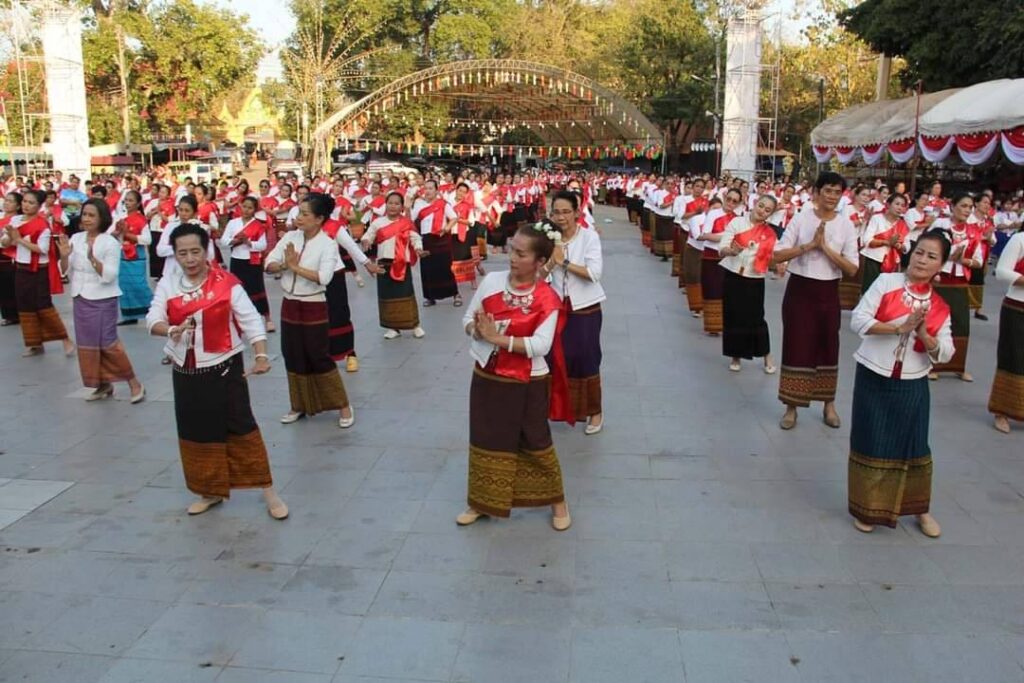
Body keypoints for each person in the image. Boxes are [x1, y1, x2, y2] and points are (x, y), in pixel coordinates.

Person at [145, 223, 287, 519]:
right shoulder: (168, 283)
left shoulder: (226, 283)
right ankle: (209, 491)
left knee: (242, 427)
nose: (190, 259)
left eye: (195, 251)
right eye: (183, 253)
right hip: (186, 371)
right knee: (196, 430)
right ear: (175, 255)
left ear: (206, 250)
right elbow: (153, 318)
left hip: (224, 368)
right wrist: (170, 330)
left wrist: (261, 355)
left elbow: (251, 320)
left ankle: (268, 490)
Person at [457, 222, 571, 530]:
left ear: (539, 261)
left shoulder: (547, 298)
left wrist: (497, 338)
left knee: (535, 439)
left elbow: (541, 345)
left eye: (521, 254)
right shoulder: (492, 281)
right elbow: (468, 318)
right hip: (488, 374)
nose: (512, 257)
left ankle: (558, 501)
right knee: (486, 436)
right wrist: (476, 330)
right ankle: (481, 501)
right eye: (512, 249)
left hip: (529, 380)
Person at [847, 230, 954, 538]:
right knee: (872, 440)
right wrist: (899, 327)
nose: (922, 260)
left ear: (940, 265)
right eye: (919, 252)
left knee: (915, 445)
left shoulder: (940, 306)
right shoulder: (886, 282)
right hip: (873, 374)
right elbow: (858, 320)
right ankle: (868, 508)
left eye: (931, 256)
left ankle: (919, 509)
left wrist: (924, 335)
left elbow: (946, 352)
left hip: (913, 382)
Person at [772, 172, 859, 430]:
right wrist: (809, 246)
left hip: (828, 292)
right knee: (796, 345)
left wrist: (826, 249)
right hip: (800, 291)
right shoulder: (801, 218)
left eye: (837, 192)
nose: (832, 196)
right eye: (827, 190)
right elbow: (778, 255)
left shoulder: (846, 225)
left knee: (828, 345)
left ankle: (828, 404)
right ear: (816, 193)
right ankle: (791, 406)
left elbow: (852, 268)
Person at [265, 193, 355, 428]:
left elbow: (324, 278)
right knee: (292, 353)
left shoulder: (327, 244)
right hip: (289, 304)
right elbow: (269, 263)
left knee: (318, 355)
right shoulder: (290, 238)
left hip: (314, 304)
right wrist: (283, 265)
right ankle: (298, 405)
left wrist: (294, 267)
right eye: (299, 212)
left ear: (319, 218)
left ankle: (343, 405)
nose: (299, 218)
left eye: (305, 214)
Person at [56, 199, 144, 403]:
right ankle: (103, 384)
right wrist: (64, 257)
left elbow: (110, 275)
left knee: (108, 343)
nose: (86, 219)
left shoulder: (109, 242)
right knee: (87, 344)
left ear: (102, 218)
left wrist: (92, 259)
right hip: (80, 297)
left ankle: (134, 383)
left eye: (91, 215)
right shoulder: (76, 238)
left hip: (103, 299)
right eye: (84, 214)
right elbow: (64, 271)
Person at [545, 192, 607, 434]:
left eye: (566, 212)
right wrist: (551, 262)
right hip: (555, 306)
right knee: (552, 356)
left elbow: (594, 273)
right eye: (556, 212)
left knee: (586, 357)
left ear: (577, 213)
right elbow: (538, 274)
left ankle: (594, 412)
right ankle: (554, 407)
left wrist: (564, 263)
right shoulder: (548, 237)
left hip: (585, 307)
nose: (561, 217)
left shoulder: (588, 237)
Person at [0, 189, 75, 357]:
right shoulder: (15, 220)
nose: (26, 205)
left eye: (31, 203)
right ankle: (35, 343)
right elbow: (5, 243)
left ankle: (65, 339)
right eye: (24, 201)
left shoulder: (42, 225)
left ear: (39, 206)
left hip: (39, 270)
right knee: (24, 305)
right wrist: (9, 238)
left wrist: (18, 239)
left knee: (44, 305)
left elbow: (42, 249)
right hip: (21, 268)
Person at [718, 194, 778, 373]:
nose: (762, 211)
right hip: (733, 275)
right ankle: (736, 356)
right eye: (761, 206)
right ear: (755, 204)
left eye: (767, 210)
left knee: (757, 318)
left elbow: (775, 256)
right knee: (733, 316)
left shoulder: (770, 234)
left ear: (770, 214)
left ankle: (766, 354)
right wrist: (731, 251)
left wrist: (780, 264)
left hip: (755, 278)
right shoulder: (737, 223)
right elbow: (722, 248)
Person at [930, 194, 982, 382]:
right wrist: (947, 257)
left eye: (970, 207)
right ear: (952, 206)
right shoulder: (940, 225)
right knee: (936, 322)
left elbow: (978, 261)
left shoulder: (974, 231)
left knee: (961, 324)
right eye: (963, 205)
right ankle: (932, 365)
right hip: (939, 280)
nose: (967, 210)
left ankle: (958, 366)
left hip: (960, 282)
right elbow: (928, 248)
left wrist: (963, 260)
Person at [322, 200, 379, 372]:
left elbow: (350, 246)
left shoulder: (334, 226)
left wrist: (367, 263)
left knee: (338, 313)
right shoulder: (302, 229)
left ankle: (349, 353)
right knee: (319, 316)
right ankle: (323, 354)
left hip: (334, 274)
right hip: (312, 277)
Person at [361, 192, 426, 339]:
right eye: (390, 203)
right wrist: (366, 241)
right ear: (386, 204)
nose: (393, 206)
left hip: (402, 263)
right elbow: (368, 235)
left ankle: (415, 325)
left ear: (402, 207)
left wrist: (419, 249)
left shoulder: (406, 223)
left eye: (397, 203)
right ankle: (393, 328)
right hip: (384, 264)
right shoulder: (378, 222)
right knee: (387, 296)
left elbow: (416, 239)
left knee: (406, 294)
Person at [988, 230, 1024, 434]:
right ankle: (1002, 411)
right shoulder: (1020, 239)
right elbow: (1002, 271)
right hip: (1017, 308)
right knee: (1013, 358)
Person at [220, 196, 274, 332]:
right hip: (237, 260)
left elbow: (263, 245)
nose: (246, 210)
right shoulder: (233, 223)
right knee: (238, 290)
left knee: (258, 289)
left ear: (254, 210)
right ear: (240, 207)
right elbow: (223, 240)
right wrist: (234, 241)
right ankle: (239, 320)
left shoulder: (258, 225)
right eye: (244, 206)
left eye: (250, 208)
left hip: (252, 261)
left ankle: (267, 319)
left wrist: (248, 242)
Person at [696, 188, 740, 336]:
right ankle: (712, 325)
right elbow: (706, 234)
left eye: (734, 201)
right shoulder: (714, 214)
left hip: (727, 257)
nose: (730, 203)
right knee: (712, 290)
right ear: (725, 197)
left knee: (726, 291)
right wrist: (727, 236)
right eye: (729, 199)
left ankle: (725, 323)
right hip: (711, 256)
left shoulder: (737, 219)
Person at [411, 179, 460, 307]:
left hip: (441, 239)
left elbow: (454, 218)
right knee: (427, 269)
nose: (427, 191)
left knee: (445, 268)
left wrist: (446, 228)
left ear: (436, 191)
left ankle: (455, 294)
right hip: (426, 240)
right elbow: (410, 219)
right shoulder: (419, 204)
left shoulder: (443, 204)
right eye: (426, 188)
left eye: (430, 188)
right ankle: (430, 297)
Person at [110, 190, 153, 325]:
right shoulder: (121, 218)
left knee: (139, 285)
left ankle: (154, 310)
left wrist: (128, 235)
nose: (127, 203)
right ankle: (129, 316)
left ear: (138, 203)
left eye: (131, 200)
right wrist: (116, 234)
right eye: (126, 200)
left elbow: (147, 239)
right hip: (123, 254)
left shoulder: (141, 220)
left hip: (136, 255)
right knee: (125, 286)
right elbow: (115, 236)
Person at [859, 193, 909, 294]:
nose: (899, 207)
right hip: (874, 259)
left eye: (902, 205)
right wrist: (887, 242)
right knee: (870, 290)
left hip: (893, 262)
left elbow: (907, 246)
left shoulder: (903, 224)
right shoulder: (877, 219)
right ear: (888, 205)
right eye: (897, 204)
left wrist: (899, 246)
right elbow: (867, 240)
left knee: (887, 291)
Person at [0, 191, 23, 326]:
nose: (6, 203)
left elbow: (15, 240)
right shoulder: (1, 217)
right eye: (6, 200)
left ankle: (13, 315)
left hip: (10, 256)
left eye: (10, 201)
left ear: (18, 206)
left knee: (9, 286)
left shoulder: (18, 221)